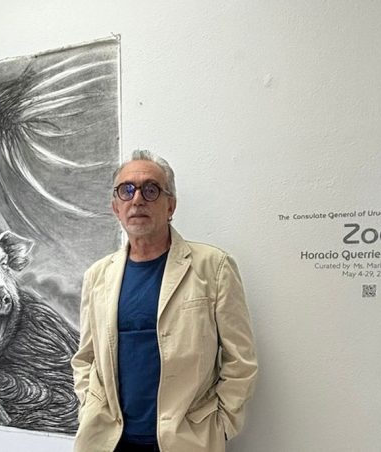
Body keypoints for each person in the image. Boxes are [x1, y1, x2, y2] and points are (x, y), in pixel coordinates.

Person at [71, 150, 257, 452]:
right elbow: (85, 357)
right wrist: (88, 406)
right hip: (111, 441)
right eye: (126, 190)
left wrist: (222, 423)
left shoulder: (213, 267)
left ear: (170, 205)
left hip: (187, 440)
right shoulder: (97, 276)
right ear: (116, 207)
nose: (137, 199)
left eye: (151, 189)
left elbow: (241, 360)